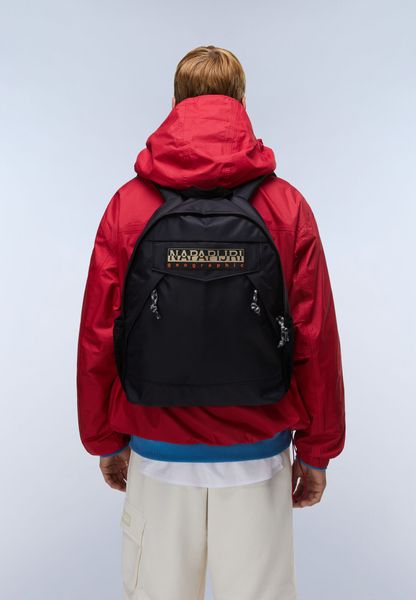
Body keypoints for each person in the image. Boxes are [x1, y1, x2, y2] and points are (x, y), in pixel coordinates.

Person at [76, 45, 346, 600]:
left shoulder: (129, 205)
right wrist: (317, 450)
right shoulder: (286, 206)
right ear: (241, 101)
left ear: (175, 101)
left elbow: (99, 333)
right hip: (259, 450)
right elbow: (314, 336)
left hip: (156, 446)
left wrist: (104, 438)